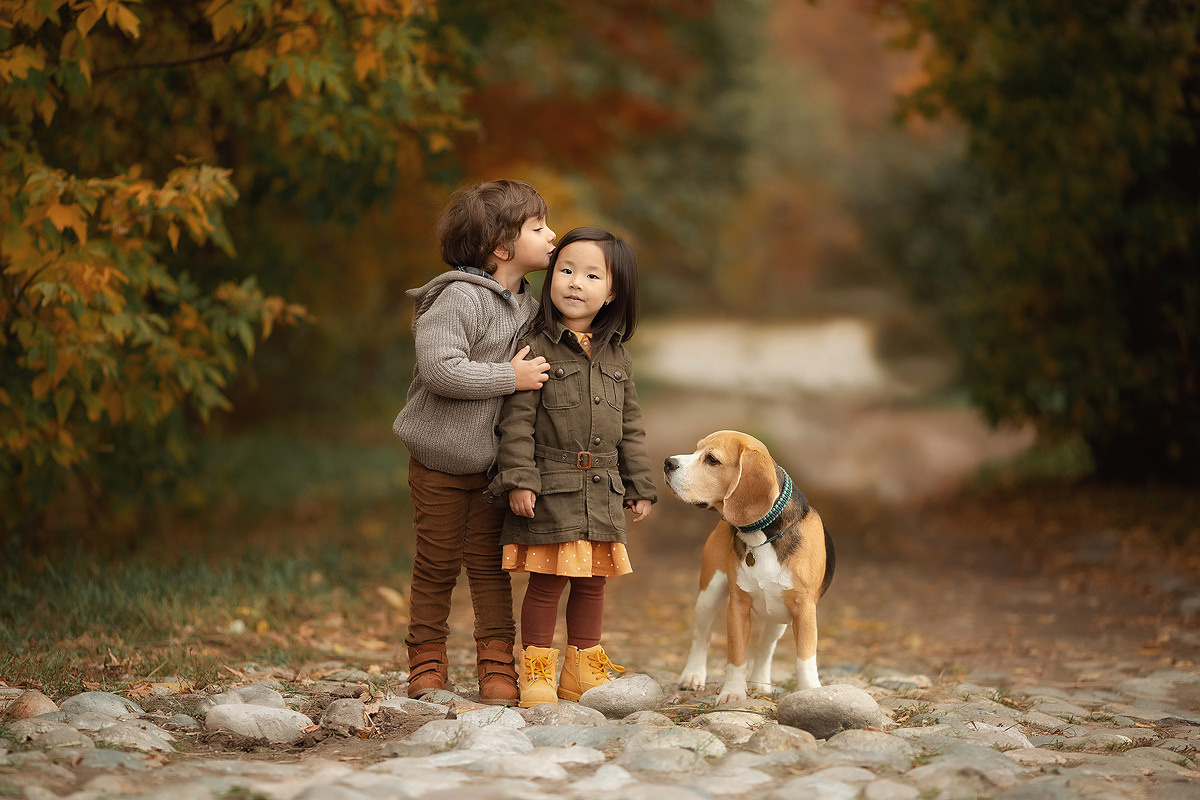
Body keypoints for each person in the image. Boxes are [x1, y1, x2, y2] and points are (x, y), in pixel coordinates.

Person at [393, 179, 555, 705]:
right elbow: (440, 369)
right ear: (501, 248)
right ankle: (426, 661)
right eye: (538, 227)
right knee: (436, 564)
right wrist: (509, 378)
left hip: (491, 471)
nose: (551, 235)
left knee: (490, 568)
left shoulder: (529, 308)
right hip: (437, 462)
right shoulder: (460, 299)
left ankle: (496, 666)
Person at [487, 225, 657, 707]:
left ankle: (582, 670)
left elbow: (631, 427)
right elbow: (515, 422)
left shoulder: (617, 356)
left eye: (590, 275)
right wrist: (520, 480)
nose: (575, 283)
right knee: (547, 583)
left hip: (601, 488)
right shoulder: (536, 346)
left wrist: (639, 485)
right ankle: (537, 672)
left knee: (592, 584)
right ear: (551, 277)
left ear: (612, 292)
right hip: (553, 486)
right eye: (565, 270)